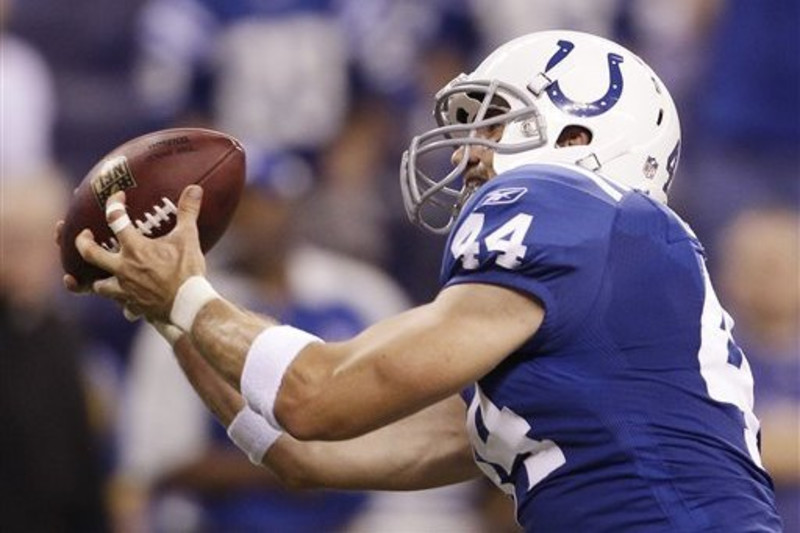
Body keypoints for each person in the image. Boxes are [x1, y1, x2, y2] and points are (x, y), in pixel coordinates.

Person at [63, 30, 782, 530]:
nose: (471, 154)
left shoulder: (571, 209)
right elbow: (303, 455)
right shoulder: (585, 327)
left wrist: (191, 293)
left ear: (579, 136)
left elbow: (319, 395)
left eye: (496, 123)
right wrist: (173, 313)